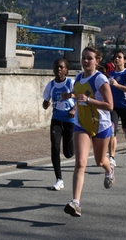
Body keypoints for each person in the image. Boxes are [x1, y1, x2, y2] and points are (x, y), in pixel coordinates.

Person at [64, 46, 114, 217]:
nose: (85, 61)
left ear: (97, 61)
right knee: (80, 163)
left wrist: (89, 100)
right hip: (82, 124)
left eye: (89, 58)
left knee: (100, 161)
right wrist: (70, 96)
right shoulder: (78, 78)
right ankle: (75, 202)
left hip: (101, 125)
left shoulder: (100, 79)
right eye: (83, 57)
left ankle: (109, 170)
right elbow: (78, 95)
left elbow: (110, 105)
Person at [42, 59, 76, 191]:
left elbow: (80, 97)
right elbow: (45, 104)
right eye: (56, 67)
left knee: (68, 154)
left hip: (70, 121)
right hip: (56, 119)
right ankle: (59, 179)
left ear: (66, 70)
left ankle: (73, 150)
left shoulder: (71, 83)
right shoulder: (50, 85)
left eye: (61, 67)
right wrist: (46, 104)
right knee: (55, 148)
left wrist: (74, 109)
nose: (59, 70)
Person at [108, 51, 126, 165]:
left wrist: (117, 85)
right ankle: (111, 157)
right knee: (111, 131)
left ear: (124, 60)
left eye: (120, 57)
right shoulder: (111, 74)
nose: (117, 59)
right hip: (114, 107)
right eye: (115, 57)